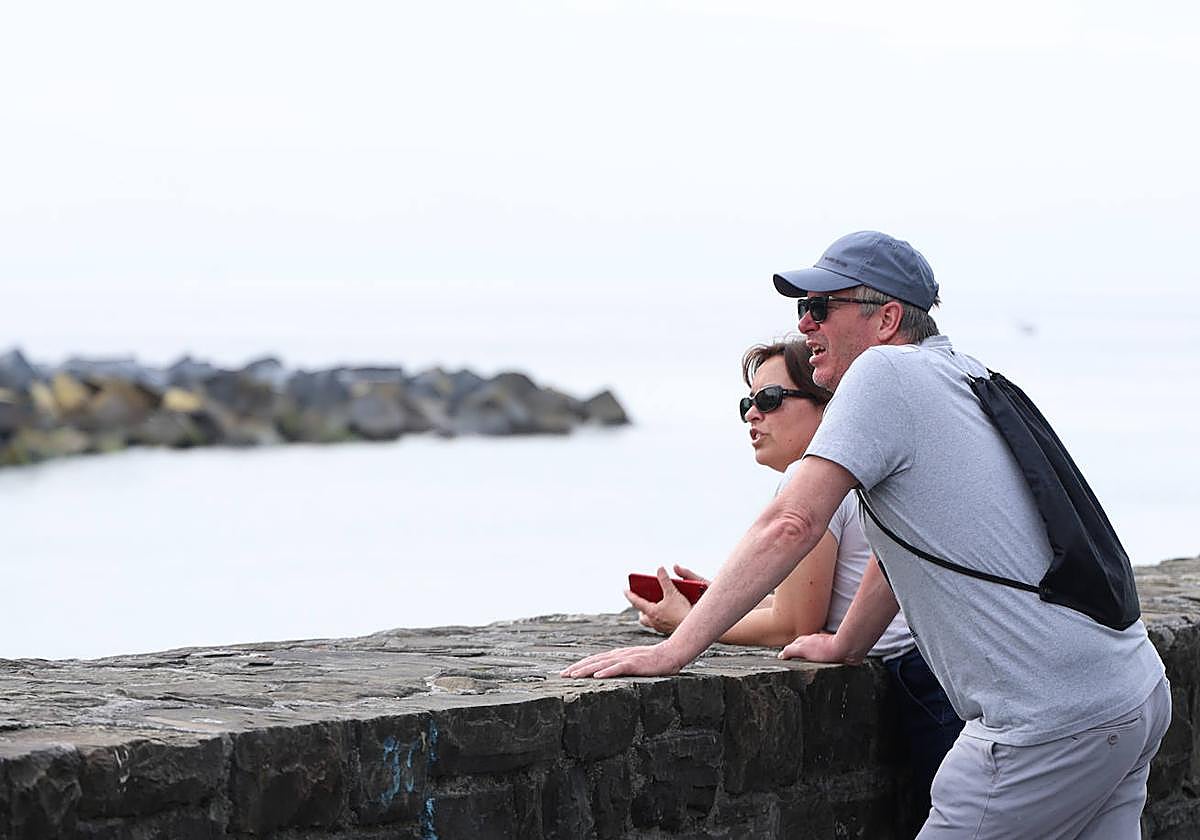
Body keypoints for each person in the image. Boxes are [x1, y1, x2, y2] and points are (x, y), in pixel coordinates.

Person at [562, 231, 1170, 838]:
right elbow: (902, 551)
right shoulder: (964, 375)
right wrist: (847, 644)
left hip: (1045, 724)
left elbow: (792, 523)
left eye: (822, 307)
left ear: (885, 318)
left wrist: (672, 650)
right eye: (802, 309)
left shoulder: (883, 374)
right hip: (1130, 690)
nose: (804, 325)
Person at [629, 339, 960, 825]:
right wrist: (730, 595)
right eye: (748, 402)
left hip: (922, 682)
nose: (752, 415)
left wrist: (689, 620)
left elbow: (795, 625)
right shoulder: (864, 475)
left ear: (829, 406)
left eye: (769, 400)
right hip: (941, 668)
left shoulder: (810, 480)